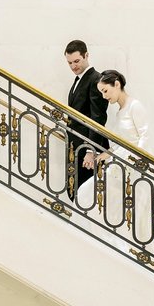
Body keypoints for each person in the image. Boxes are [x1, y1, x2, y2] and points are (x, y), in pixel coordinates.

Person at [93, 70, 152, 246]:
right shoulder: (119, 113)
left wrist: (137, 161)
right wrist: (106, 154)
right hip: (119, 164)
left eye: (105, 91)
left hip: (133, 167)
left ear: (116, 84)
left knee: (133, 212)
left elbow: (145, 135)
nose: (104, 96)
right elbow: (120, 143)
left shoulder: (135, 106)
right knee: (90, 196)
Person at [64, 40, 109, 200]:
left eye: (77, 61)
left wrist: (91, 151)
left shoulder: (95, 79)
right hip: (76, 147)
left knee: (87, 197)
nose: (73, 66)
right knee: (77, 194)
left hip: (87, 150)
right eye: (69, 63)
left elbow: (98, 118)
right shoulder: (79, 80)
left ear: (86, 56)